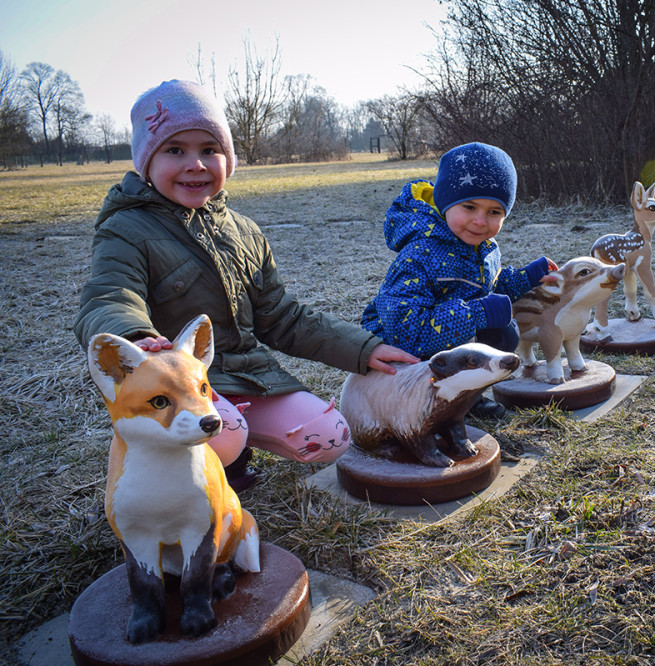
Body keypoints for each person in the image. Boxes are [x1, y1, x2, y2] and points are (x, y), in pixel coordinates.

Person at [74, 80, 417, 490]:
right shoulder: (126, 230)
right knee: (226, 433)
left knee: (330, 437)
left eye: (209, 149)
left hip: (246, 377)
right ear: (146, 161)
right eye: (174, 150)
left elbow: (283, 317)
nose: (196, 164)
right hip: (177, 389)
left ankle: (228, 446)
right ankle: (202, 470)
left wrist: (364, 348)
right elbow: (110, 295)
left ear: (227, 157)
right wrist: (137, 337)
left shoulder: (245, 232)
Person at [360, 142, 557, 418]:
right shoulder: (419, 254)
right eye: (469, 206)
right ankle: (428, 404)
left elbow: (490, 284)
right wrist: (478, 313)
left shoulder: (482, 248)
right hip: (400, 355)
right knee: (486, 327)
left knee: (504, 332)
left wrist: (526, 276)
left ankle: (464, 398)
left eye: (494, 212)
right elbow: (408, 334)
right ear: (445, 203)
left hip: (446, 337)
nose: (480, 221)